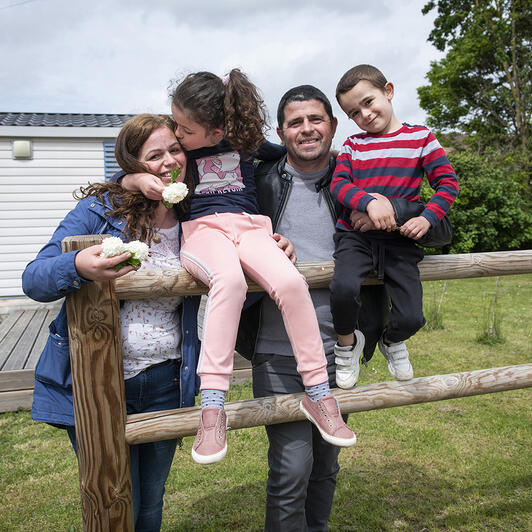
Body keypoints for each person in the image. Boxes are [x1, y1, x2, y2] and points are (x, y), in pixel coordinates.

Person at [121, 69, 356, 465]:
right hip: (204, 232)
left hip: (251, 229)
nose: (176, 135)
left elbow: (289, 157)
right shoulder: (184, 152)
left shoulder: (245, 143)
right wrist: (136, 181)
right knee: (229, 281)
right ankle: (213, 408)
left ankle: (320, 395)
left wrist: (347, 166)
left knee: (291, 282)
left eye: (184, 128)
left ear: (215, 131)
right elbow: (125, 176)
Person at [22, 114, 201, 532]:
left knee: (150, 503)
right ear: (133, 163)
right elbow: (35, 277)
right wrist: (78, 263)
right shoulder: (99, 210)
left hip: (166, 380)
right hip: (100, 379)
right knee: (114, 496)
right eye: (154, 155)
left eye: (175, 150)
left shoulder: (197, 217)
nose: (169, 162)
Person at [329, 64, 459, 385]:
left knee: (412, 317)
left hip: (399, 240)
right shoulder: (353, 146)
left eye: (369, 102)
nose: (365, 115)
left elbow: (447, 184)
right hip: (356, 238)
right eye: (354, 113)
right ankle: (347, 346)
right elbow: (339, 186)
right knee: (343, 290)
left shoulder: (421, 138)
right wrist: (369, 202)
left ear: (388, 91)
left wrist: (427, 218)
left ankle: (392, 341)